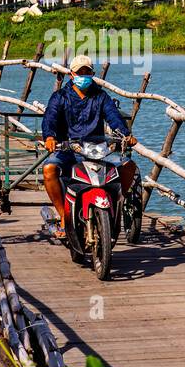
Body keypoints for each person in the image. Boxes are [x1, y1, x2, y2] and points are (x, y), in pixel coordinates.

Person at [42, 55, 136, 238]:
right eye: (80, 72)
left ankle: (117, 201)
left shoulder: (101, 96)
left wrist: (126, 135)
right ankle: (64, 216)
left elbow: (113, 117)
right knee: (49, 169)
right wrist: (50, 137)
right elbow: (50, 119)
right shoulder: (60, 97)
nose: (83, 76)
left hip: (97, 149)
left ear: (92, 74)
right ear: (72, 74)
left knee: (128, 166)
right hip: (68, 149)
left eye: (87, 72)